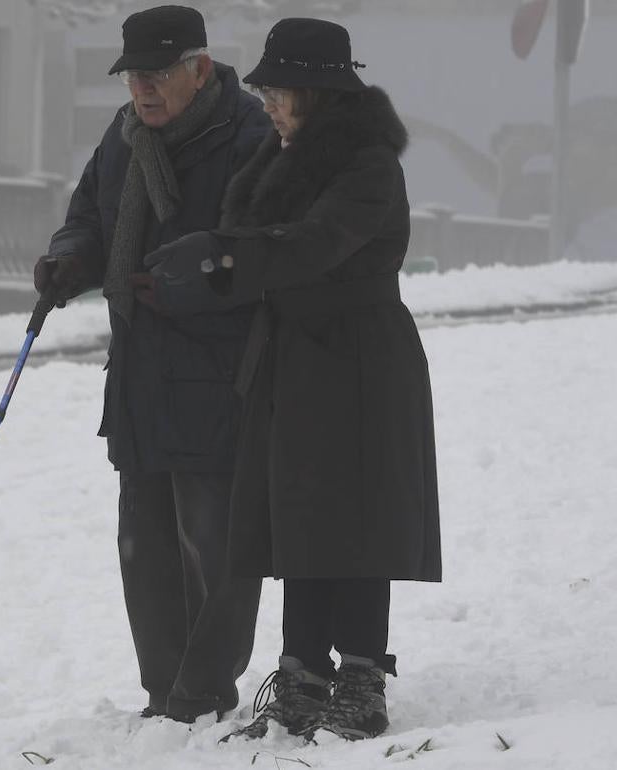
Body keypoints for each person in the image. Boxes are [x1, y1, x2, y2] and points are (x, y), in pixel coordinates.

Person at [136, 18, 442, 741]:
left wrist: (220, 259)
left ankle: (362, 676)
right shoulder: (282, 159)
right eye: (266, 92)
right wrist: (201, 274)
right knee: (299, 515)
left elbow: (312, 245)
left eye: (280, 92)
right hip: (296, 357)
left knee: (358, 517)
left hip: (362, 356)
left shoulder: (368, 165)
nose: (269, 105)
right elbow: (259, 246)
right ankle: (302, 671)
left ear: (317, 91)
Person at [33, 5, 271, 723]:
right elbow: (91, 217)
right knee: (143, 546)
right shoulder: (125, 136)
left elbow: (258, 249)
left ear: (199, 69)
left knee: (216, 546)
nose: (142, 88)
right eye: (134, 74)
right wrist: (69, 259)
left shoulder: (249, 136)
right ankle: (164, 691)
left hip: (216, 374)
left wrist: (188, 281)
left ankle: (203, 691)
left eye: (157, 73)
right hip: (138, 374)